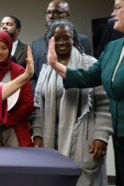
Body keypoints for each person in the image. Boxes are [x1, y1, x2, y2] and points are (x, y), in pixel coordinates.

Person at [33, 19, 112, 186]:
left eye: (66, 37)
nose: (62, 42)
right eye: (57, 38)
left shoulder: (89, 63)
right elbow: (38, 105)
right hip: (52, 140)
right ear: (50, 40)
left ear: (74, 38)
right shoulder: (47, 69)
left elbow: (104, 103)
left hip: (83, 139)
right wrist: (38, 134)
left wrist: (101, 136)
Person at [31, 0, 92, 93]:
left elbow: (86, 72)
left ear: (67, 15)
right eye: (48, 12)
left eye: (56, 12)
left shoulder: (82, 41)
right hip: (44, 101)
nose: (51, 16)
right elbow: (33, 77)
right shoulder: (36, 44)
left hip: (73, 96)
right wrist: (40, 92)